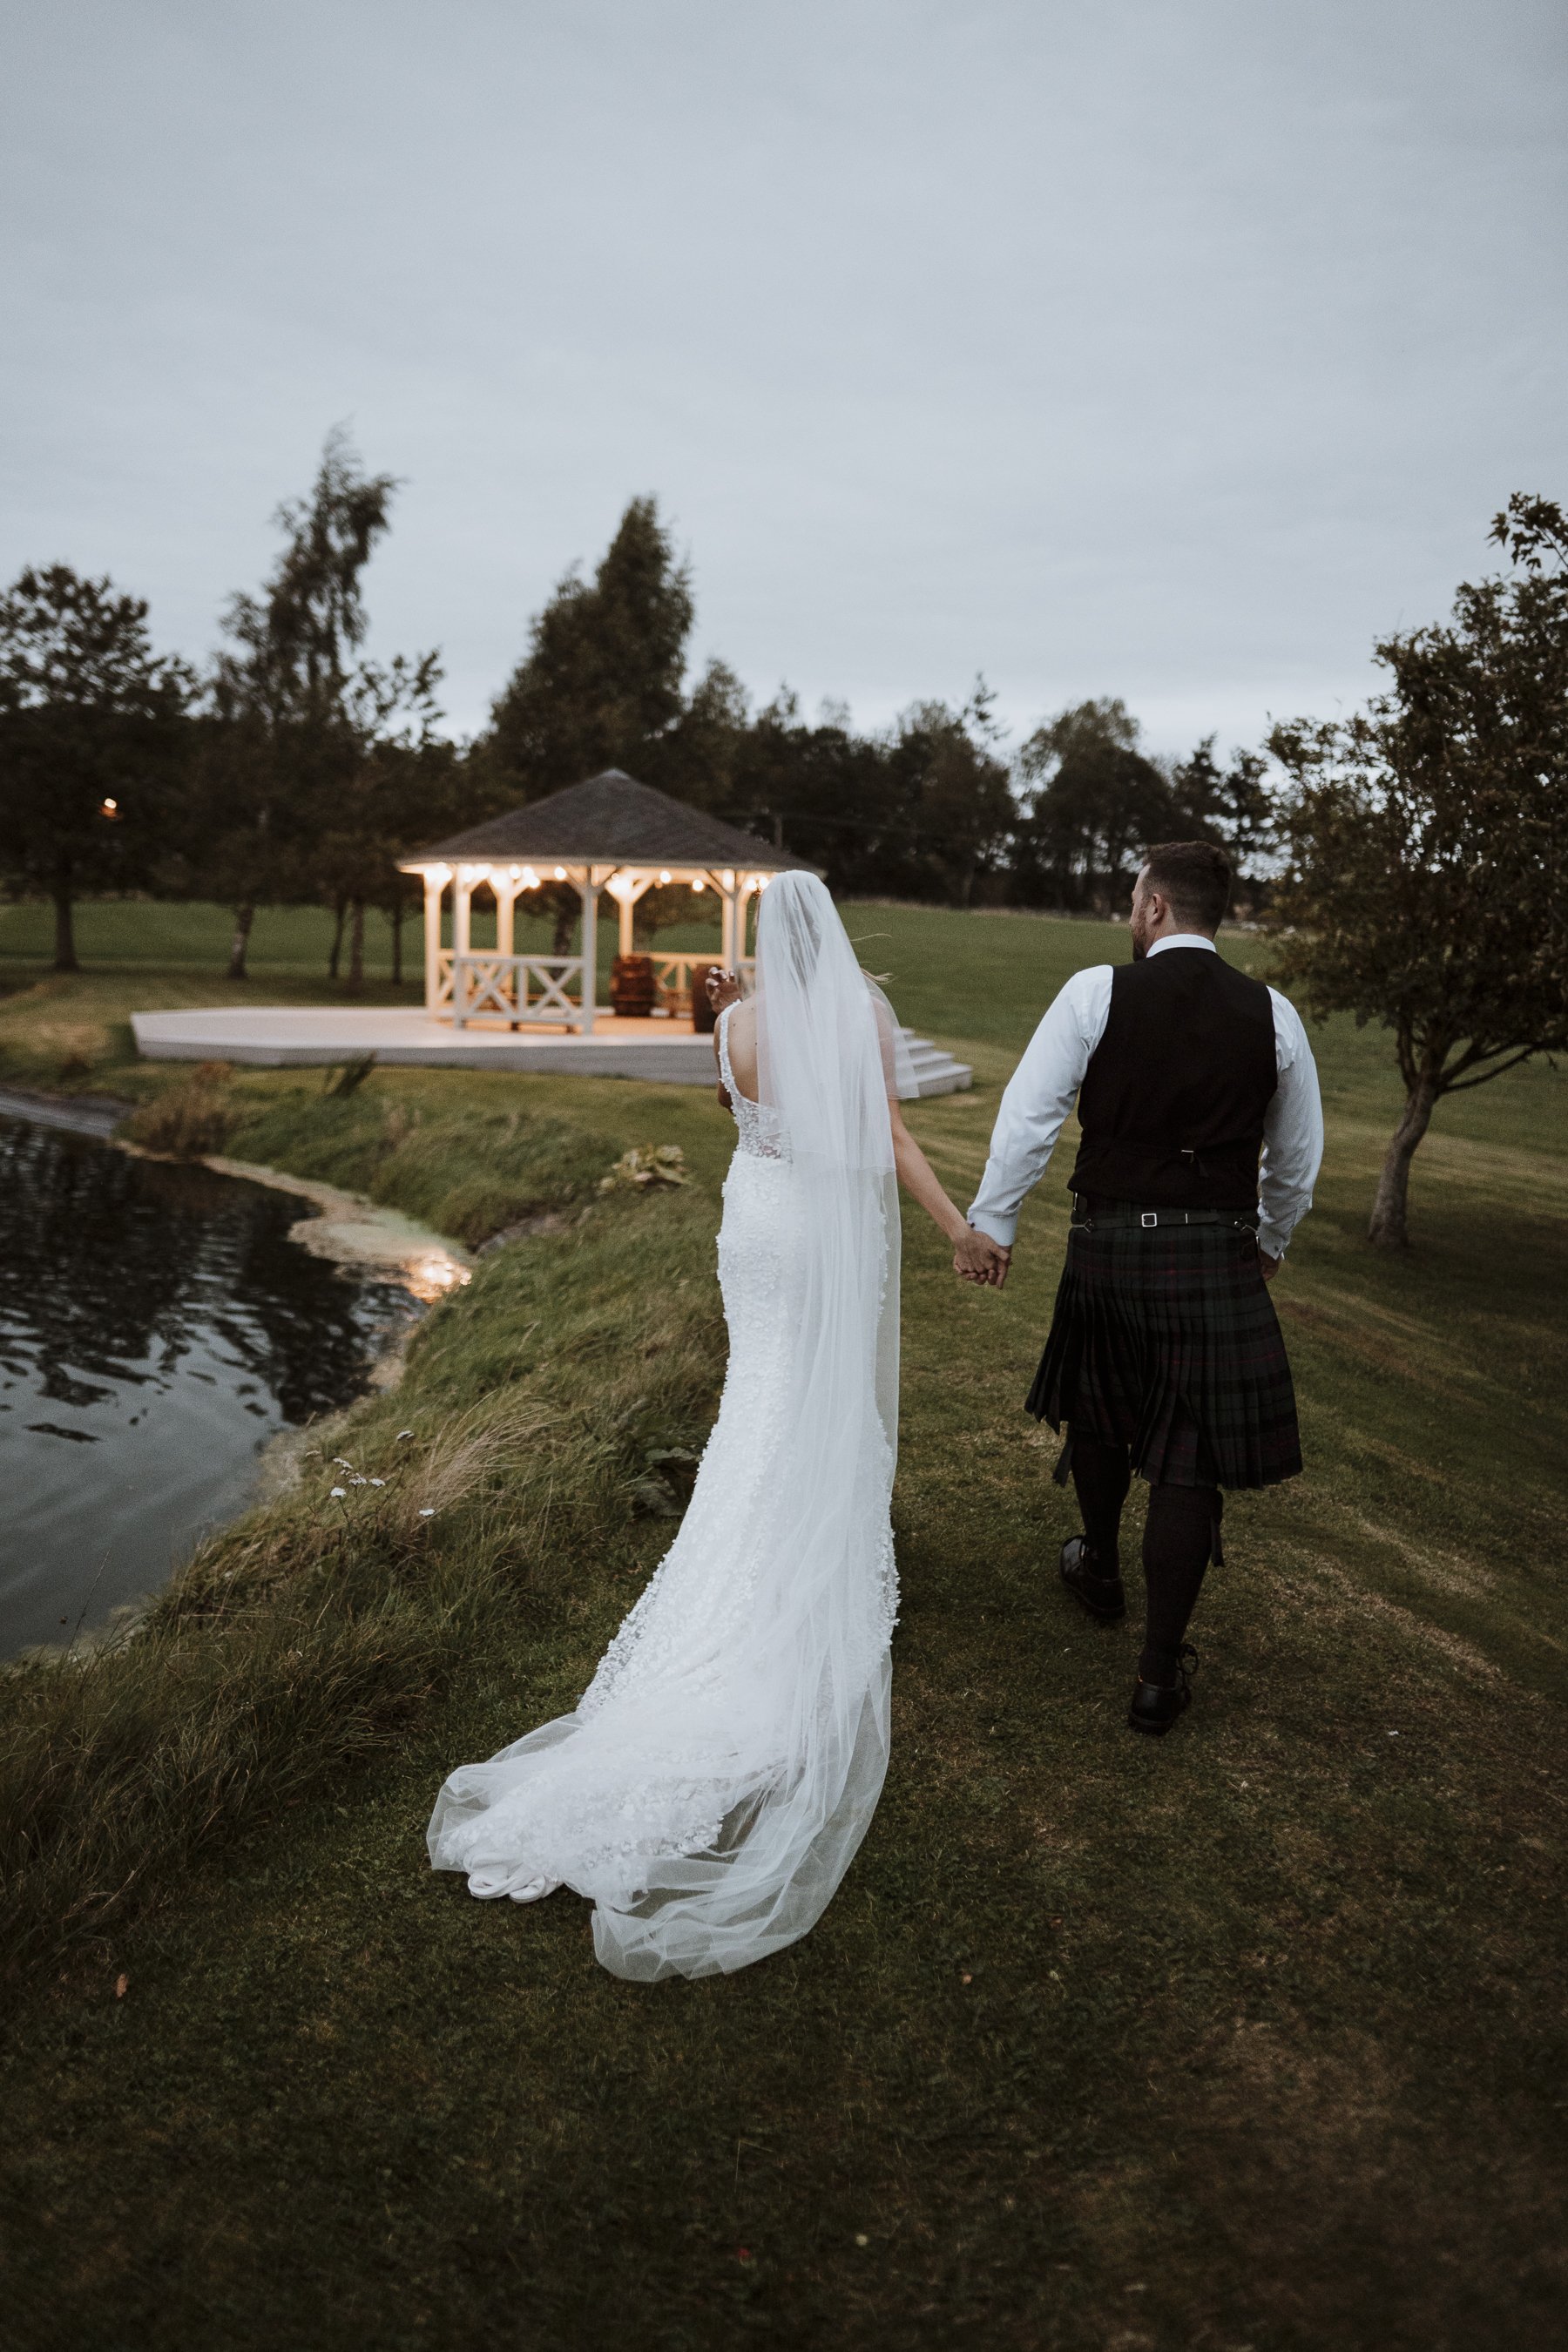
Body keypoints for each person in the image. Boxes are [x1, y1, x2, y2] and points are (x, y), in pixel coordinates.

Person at [428, 871, 996, 1978]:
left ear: (757, 939)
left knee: (759, 1392)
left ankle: (745, 1543)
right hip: (817, 1228)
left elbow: (735, 1117)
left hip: (753, 1224)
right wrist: (956, 1228)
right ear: (829, 932)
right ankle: (799, 1557)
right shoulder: (865, 1015)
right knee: (808, 1392)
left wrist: (743, 1013)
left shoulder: (731, 1018)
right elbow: (885, 1140)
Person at [961, 840, 1324, 1736]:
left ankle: (1101, 1571)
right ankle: (1158, 1675)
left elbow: (1030, 1113)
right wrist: (1270, 1240)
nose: (1130, 915)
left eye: (1133, 901)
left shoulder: (1096, 992)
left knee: (1100, 1403)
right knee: (1189, 1456)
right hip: (1215, 1255)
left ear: (1157, 908)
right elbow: (1299, 1158)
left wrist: (993, 1221)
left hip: (1108, 1245)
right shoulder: (1273, 1014)